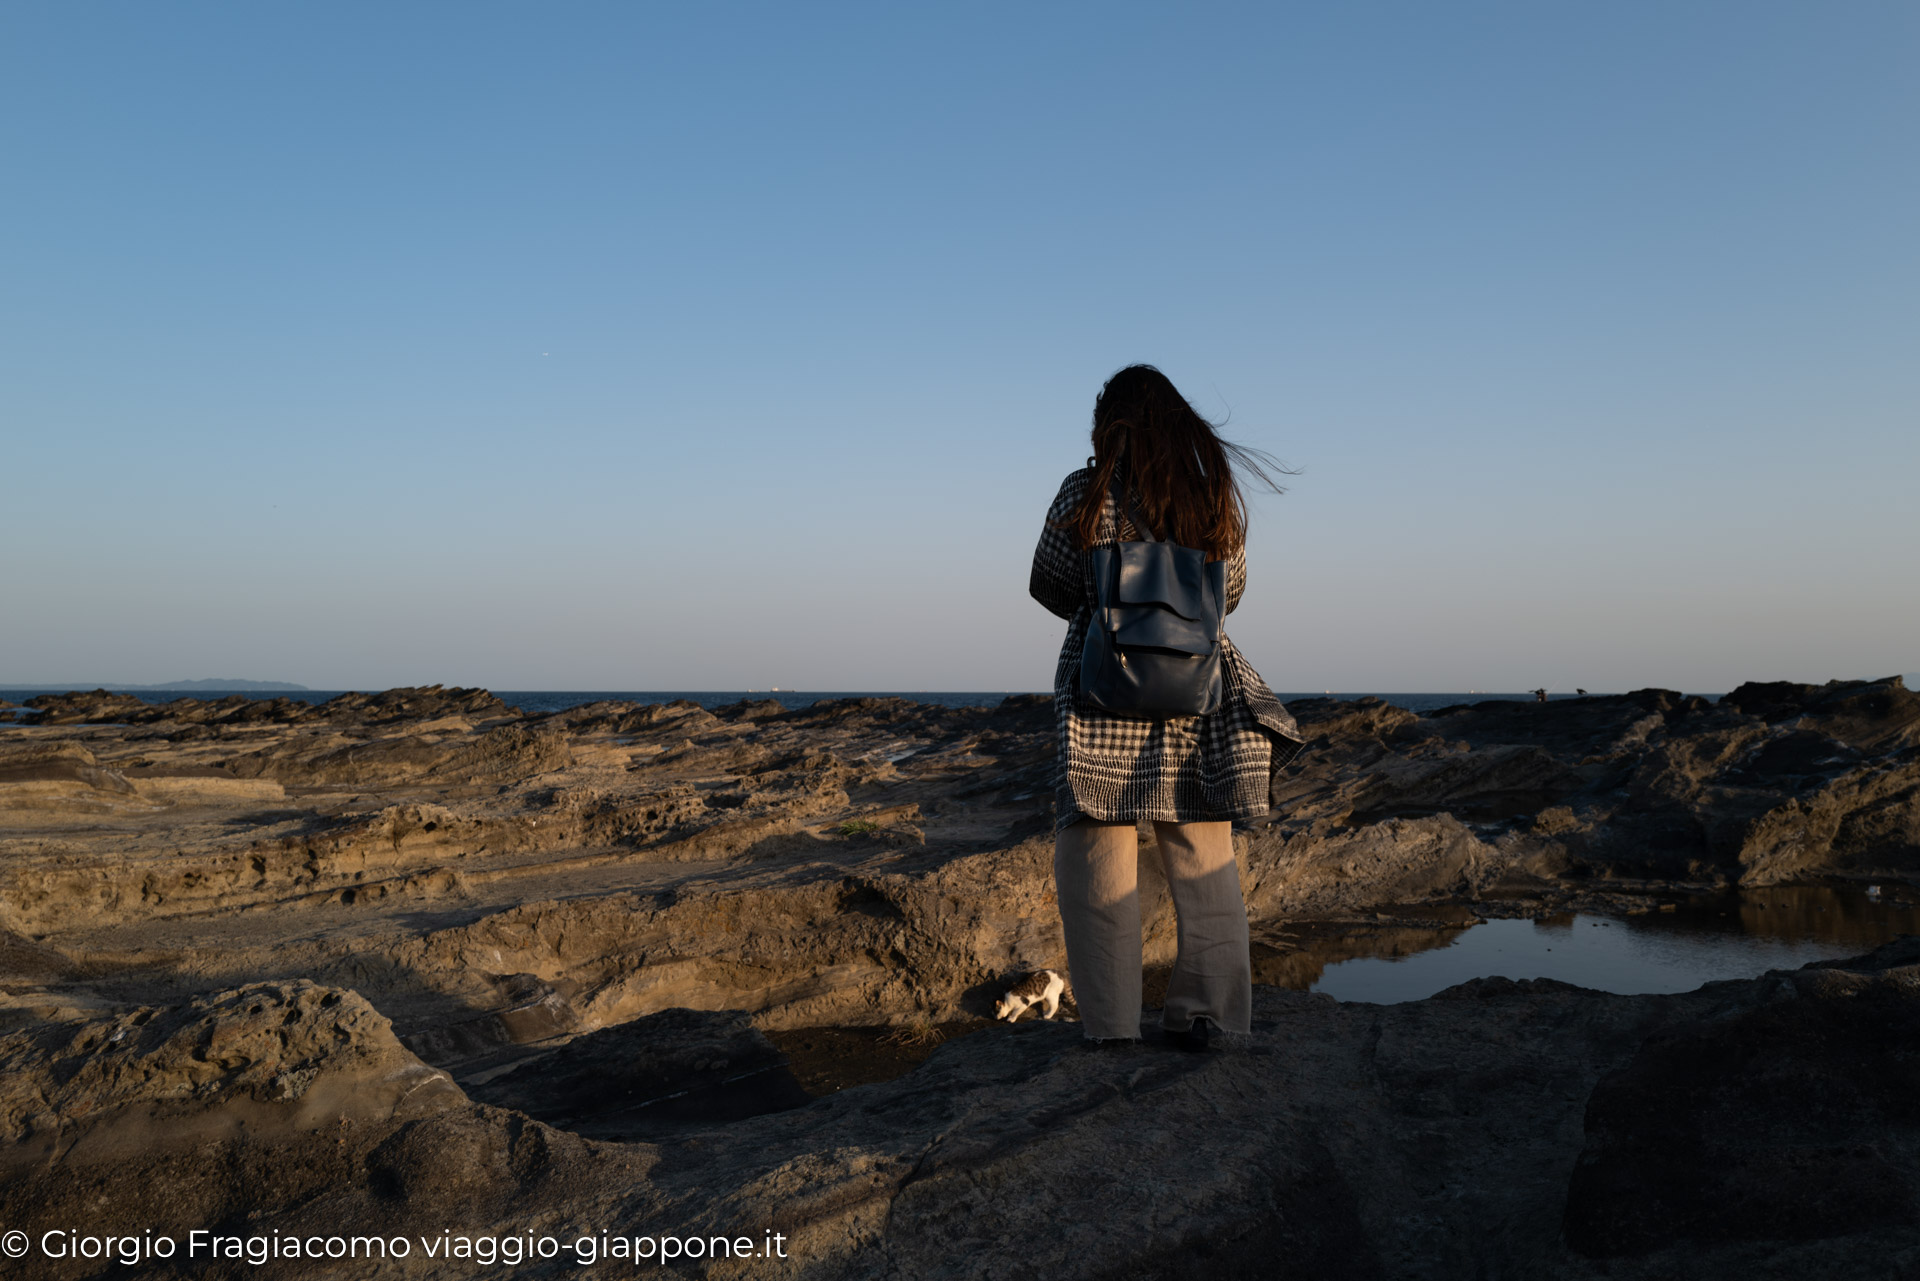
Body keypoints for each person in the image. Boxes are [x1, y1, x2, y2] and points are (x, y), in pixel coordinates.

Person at [1028, 365, 1304, 1050]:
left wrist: (1112, 611)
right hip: (1196, 695)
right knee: (1205, 856)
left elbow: (1051, 581)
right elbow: (1230, 591)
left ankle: (1113, 1030)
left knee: (1096, 857)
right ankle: (1209, 1017)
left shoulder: (1086, 488)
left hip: (1102, 694)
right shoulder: (1210, 495)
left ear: (1110, 424)